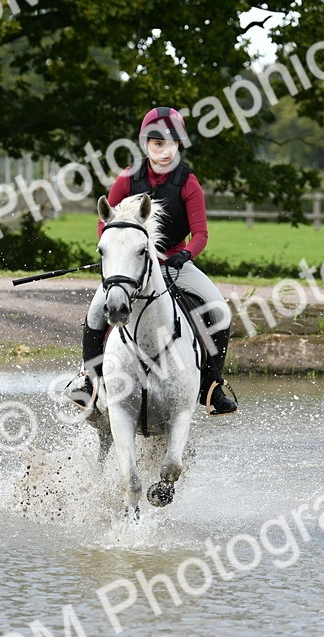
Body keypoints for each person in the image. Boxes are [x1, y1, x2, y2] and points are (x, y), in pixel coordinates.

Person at [68, 106, 238, 416]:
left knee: (220, 311)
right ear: (146, 144)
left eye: (171, 143)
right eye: (157, 144)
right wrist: (114, 254)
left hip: (173, 262)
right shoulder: (127, 178)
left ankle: (212, 386)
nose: (164, 150)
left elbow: (201, 233)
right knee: (96, 312)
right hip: (129, 267)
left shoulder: (188, 182)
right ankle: (89, 382)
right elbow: (106, 222)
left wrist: (184, 255)